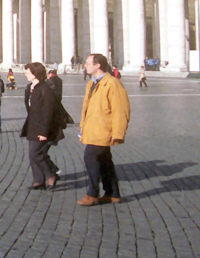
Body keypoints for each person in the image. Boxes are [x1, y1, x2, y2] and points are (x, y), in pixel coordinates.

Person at [78, 54, 131, 206]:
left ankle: (92, 194)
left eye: (88, 63)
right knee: (105, 161)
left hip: (103, 130)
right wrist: (83, 126)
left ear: (98, 65)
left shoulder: (113, 84)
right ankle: (113, 193)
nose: (85, 66)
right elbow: (86, 108)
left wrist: (118, 133)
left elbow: (121, 110)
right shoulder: (91, 84)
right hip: (93, 129)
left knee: (91, 158)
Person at [21, 62, 70, 190]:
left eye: (28, 72)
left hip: (43, 127)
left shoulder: (45, 89)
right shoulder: (30, 88)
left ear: (35, 73)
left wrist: (44, 132)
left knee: (35, 153)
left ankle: (50, 175)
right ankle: (38, 180)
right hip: (33, 125)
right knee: (33, 154)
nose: (25, 74)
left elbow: (48, 112)